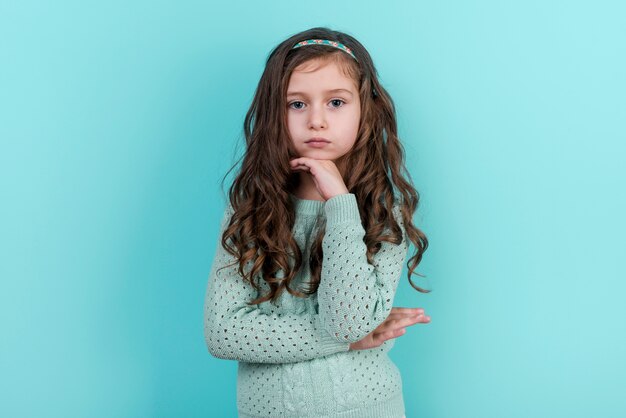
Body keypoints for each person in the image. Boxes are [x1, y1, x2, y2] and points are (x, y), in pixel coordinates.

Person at [204, 26, 431, 418]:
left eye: (336, 102)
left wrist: (341, 205)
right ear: (275, 112)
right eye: (297, 104)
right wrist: (345, 342)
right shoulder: (248, 210)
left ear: (365, 110)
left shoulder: (383, 211)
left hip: (368, 407)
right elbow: (224, 333)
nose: (317, 121)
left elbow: (347, 323)